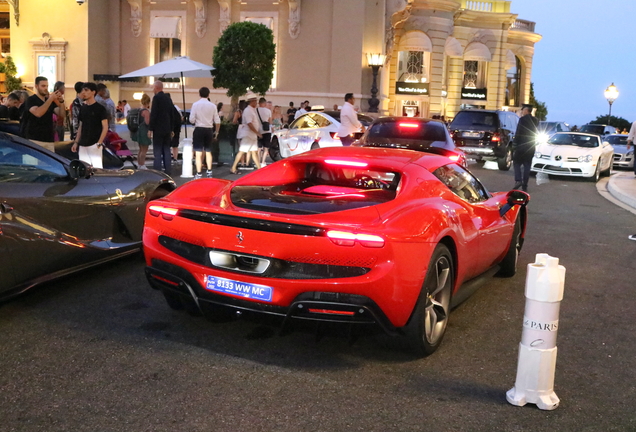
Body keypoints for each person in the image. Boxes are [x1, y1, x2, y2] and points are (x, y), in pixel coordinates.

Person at [71, 82, 108, 168]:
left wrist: (99, 142)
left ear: (93, 92)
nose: (84, 92)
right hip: (83, 143)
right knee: (84, 168)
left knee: (97, 168)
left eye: (86, 90)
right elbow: (81, 126)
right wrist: (76, 142)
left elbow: (105, 126)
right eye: (83, 90)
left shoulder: (100, 108)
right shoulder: (83, 108)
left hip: (94, 143)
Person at [189, 86, 221, 179]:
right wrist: (217, 132)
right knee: (208, 151)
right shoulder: (213, 106)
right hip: (209, 129)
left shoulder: (195, 105)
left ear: (199, 94)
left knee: (198, 153)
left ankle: (199, 173)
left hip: (199, 129)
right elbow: (217, 121)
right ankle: (209, 172)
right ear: (208, 94)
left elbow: (191, 120)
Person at [23, 76, 65, 142]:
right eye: (43, 86)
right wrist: (51, 98)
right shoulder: (31, 100)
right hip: (34, 138)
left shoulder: (49, 101)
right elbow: (38, 113)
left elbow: (62, 114)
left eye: (47, 86)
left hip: (48, 138)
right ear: (36, 86)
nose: (46, 88)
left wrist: (61, 102)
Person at [230, 92, 261, 174]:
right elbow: (249, 123)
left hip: (252, 135)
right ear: (252, 101)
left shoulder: (251, 110)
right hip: (248, 134)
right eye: (255, 101)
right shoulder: (248, 111)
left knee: (254, 152)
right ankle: (233, 167)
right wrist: (257, 133)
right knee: (242, 151)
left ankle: (259, 169)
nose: (256, 103)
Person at [148, 80, 175, 175]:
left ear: (156, 88)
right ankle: (168, 170)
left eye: (153, 88)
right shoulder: (168, 98)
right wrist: (172, 128)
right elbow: (172, 114)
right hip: (167, 128)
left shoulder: (156, 98)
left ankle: (157, 171)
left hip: (158, 128)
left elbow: (154, 114)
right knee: (167, 150)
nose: (152, 90)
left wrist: (150, 128)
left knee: (158, 151)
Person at [512, 104, 539, 192]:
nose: (522, 112)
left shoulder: (522, 120)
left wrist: (515, 144)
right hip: (531, 146)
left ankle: (518, 180)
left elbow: (518, 132)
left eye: (523, 110)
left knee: (516, 163)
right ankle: (525, 186)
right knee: (527, 166)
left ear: (526, 111)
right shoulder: (536, 120)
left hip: (521, 146)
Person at [135, 93, 152, 169]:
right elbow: (147, 122)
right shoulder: (146, 111)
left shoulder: (139, 110)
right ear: (148, 102)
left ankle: (139, 164)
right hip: (144, 131)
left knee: (140, 149)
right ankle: (142, 164)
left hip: (139, 130)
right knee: (144, 149)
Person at [166, 93, 182, 163]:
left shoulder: (165, 108)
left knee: (167, 144)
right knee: (175, 144)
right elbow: (181, 117)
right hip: (176, 129)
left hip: (168, 128)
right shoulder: (176, 107)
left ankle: (167, 158)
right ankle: (175, 158)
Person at [256, 97, 272, 167]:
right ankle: (263, 162)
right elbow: (270, 121)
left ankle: (258, 162)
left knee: (259, 148)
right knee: (266, 148)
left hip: (259, 131)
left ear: (259, 103)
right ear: (265, 103)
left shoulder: (255, 110)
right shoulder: (268, 111)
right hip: (267, 130)